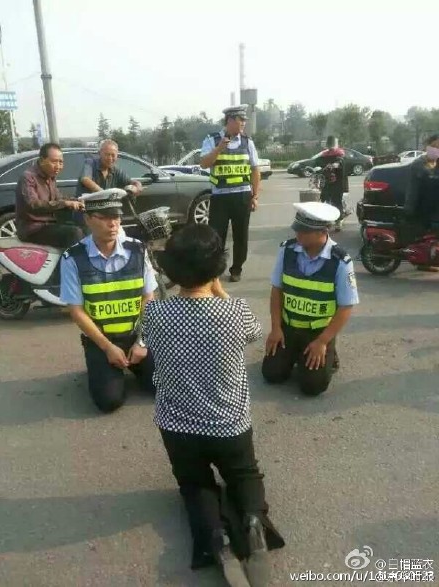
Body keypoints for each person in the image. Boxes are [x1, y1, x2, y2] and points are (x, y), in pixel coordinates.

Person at [140, 224, 284, 587]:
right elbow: (254, 333)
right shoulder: (235, 312)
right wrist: (218, 289)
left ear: (172, 270)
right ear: (217, 267)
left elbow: (148, 344)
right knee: (244, 474)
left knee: (195, 484)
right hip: (230, 424)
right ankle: (253, 522)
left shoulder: (156, 314)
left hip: (178, 426)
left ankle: (216, 538)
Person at [60, 188, 156, 413]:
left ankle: (132, 364)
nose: (112, 224)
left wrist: (142, 342)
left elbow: (148, 298)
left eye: (116, 217)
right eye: (104, 218)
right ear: (88, 219)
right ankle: (103, 367)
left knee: (165, 386)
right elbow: (76, 311)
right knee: (109, 401)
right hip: (101, 341)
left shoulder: (138, 250)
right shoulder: (73, 257)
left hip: (136, 336)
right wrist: (108, 347)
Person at [262, 202, 359, 397]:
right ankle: (296, 354)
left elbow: (346, 306)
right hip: (288, 328)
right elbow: (277, 290)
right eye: (297, 229)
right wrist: (276, 328)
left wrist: (322, 341)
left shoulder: (340, 261)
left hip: (318, 332)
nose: (298, 234)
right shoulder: (287, 250)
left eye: (304, 231)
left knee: (313, 386)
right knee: (272, 374)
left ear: (323, 231)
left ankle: (328, 351)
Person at [200, 105, 260, 282]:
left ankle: (236, 269)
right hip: (220, 197)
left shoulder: (247, 142)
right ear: (231, 120)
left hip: (242, 196)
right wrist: (219, 148)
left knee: (241, 236)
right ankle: (215, 270)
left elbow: (255, 170)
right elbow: (204, 163)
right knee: (216, 236)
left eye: (244, 120)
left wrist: (255, 196)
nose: (244, 123)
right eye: (241, 120)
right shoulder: (212, 139)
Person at [15, 143, 84, 248]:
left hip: (50, 224)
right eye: (54, 161)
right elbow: (33, 204)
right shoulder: (28, 177)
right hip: (33, 229)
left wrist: (78, 200)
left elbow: (59, 198)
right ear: (42, 160)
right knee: (74, 233)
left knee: (86, 226)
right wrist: (65, 203)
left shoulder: (50, 177)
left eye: (61, 162)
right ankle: (72, 259)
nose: (58, 166)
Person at [312, 136, 349, 230]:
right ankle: (328, 219)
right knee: (325, 200)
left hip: (337, 182)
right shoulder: (324, 155)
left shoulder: (340, 154)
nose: (331, 147)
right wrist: (315, 168)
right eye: (329, 145)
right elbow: (317, 162)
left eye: (332, 144)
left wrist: (336, 165)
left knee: (337, 201)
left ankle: (338, 221)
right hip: (326, 182)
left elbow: (340, 162)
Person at [404, 134, 439, 230]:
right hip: (425, 215)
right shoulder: (419, 164)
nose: (436, 149)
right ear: (427, 147)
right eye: (434, 146)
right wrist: (409, 212)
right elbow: (412, 191)